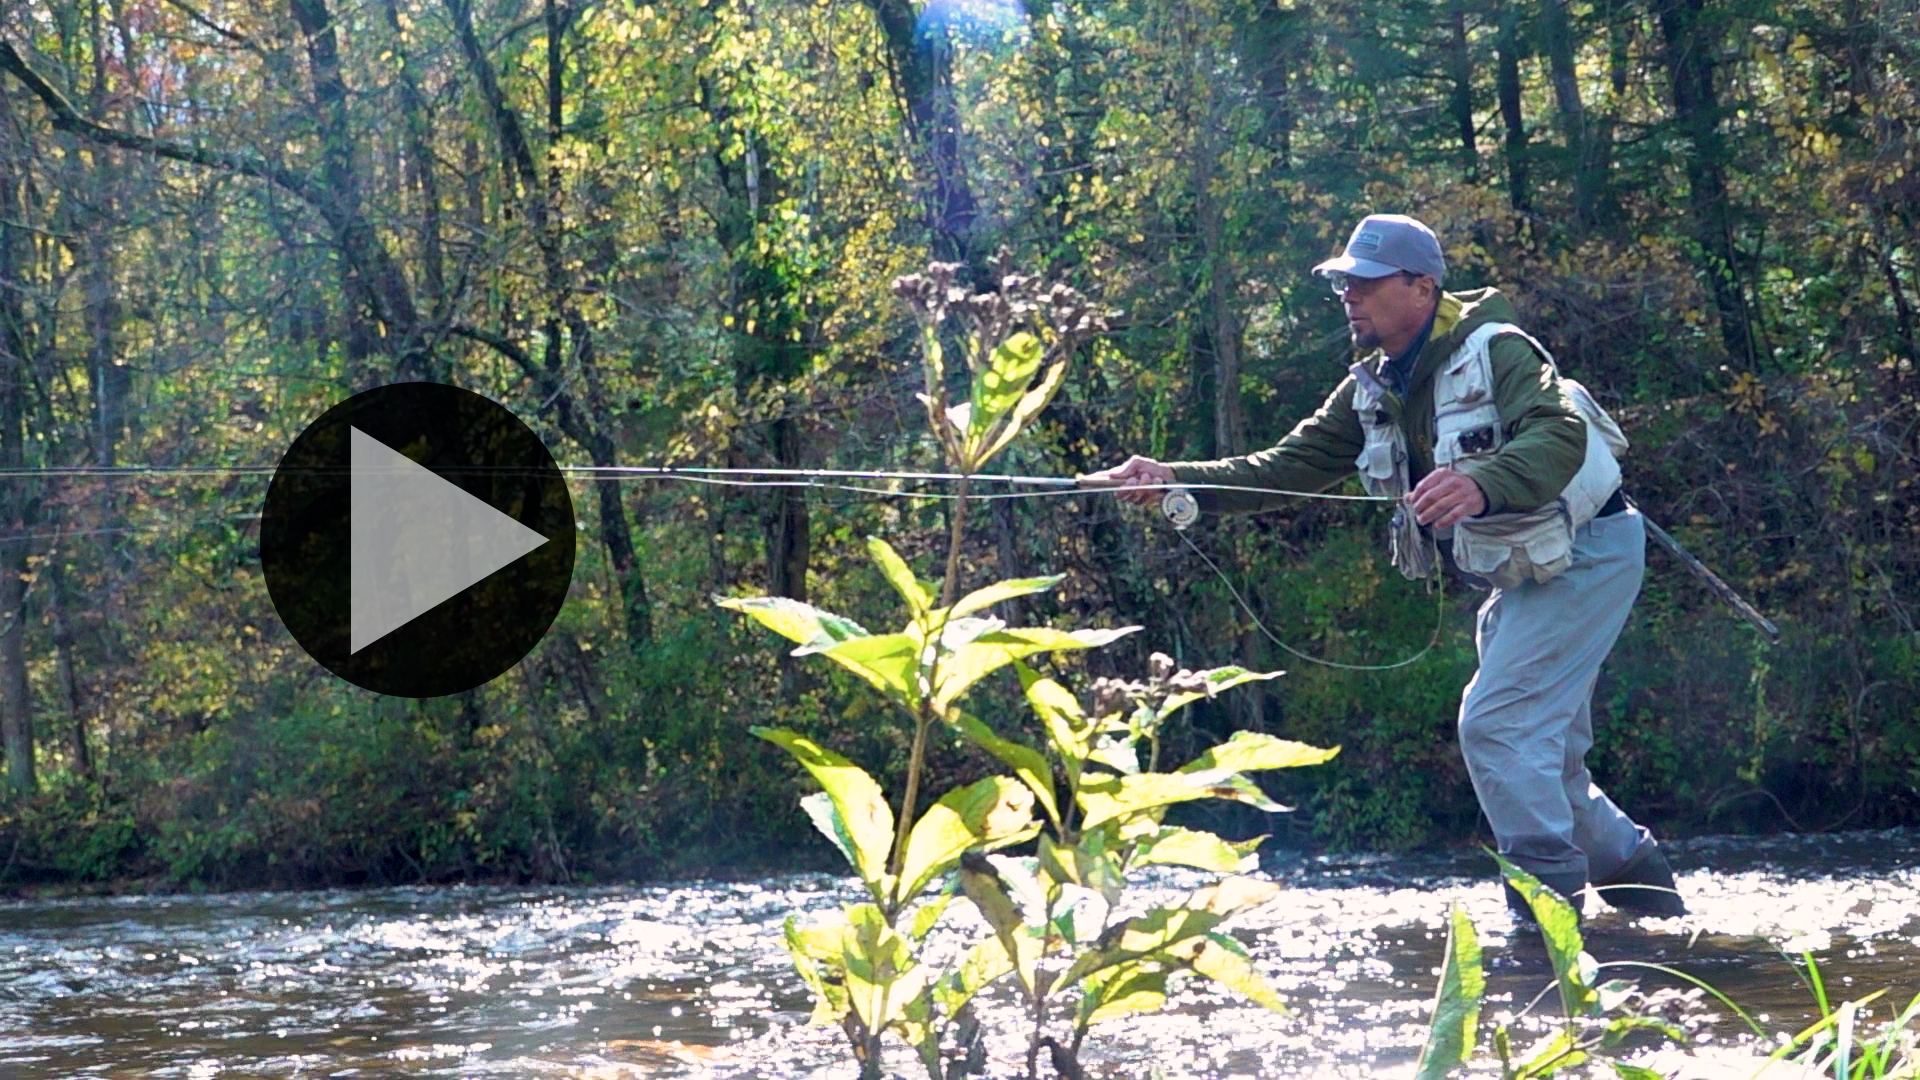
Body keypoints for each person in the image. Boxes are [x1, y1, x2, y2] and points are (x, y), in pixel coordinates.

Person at [1085, 214, 1686, 923]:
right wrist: (1173, 477)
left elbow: (1560, 431)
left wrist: (1483, 482)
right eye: (1343, 282)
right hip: (1530, 570)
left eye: (1366, 283)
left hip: (1590, 553)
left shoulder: (1502, 351)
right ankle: (1657, 909)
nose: (1349, 295)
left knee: (1494, 726)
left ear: (1423, 287)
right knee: (1543, 756)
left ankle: (1544, 934)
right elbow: (1287, 467)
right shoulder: (1371, 384)